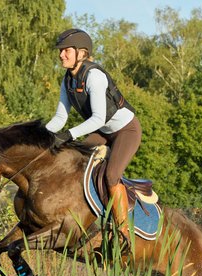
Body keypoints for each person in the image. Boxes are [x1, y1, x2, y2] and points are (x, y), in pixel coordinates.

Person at [46, 28, 142, 247]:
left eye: (66, 51)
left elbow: (99, 118)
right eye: (61, 51)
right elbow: (60, 117)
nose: (61, 55)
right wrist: (42, 135)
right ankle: (85, 220)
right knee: (73, 163)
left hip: (126, 131)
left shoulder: (95, 76)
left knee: (111, 175)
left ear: (81, 53)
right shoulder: (67, 80)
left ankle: (123, 232)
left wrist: (69, 135)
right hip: (103, 132)